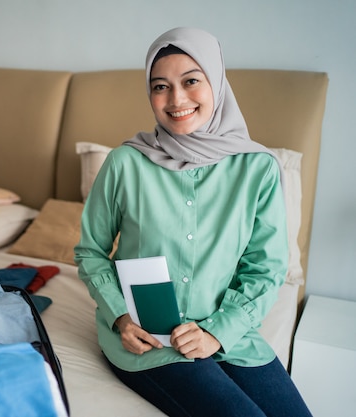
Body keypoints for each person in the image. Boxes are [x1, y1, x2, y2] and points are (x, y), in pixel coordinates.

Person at [74, 27, 312, 417]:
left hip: (230, 333)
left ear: (216, 82)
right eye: (160, 86)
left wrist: (218, 332)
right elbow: (91, 251)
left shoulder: (259, 168)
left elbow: (266, 268)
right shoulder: (125, 163)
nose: (176, 99)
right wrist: (119, 314)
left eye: (190, 82)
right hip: (148, 338)